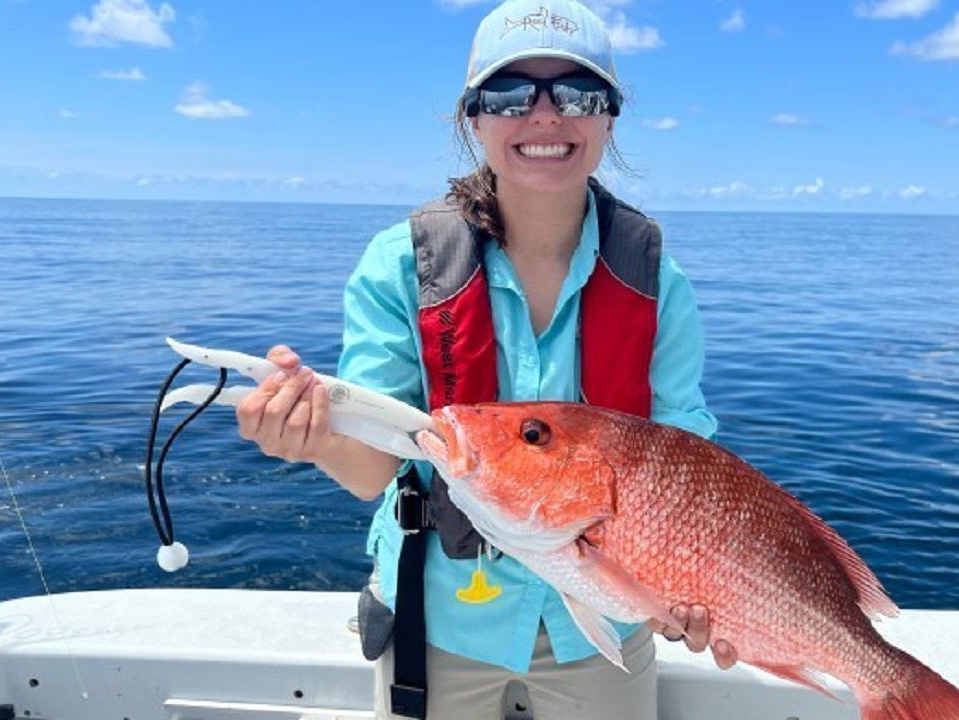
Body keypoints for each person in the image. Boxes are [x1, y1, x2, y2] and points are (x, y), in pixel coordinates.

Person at [234, 1, 736, 717]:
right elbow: (372, 467)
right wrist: (312, 438)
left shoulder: (659, 284)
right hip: (438, 622)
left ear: (609, 117)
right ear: (473, 116)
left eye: (577, 92)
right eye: (508, 94)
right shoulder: (399, 265)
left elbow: (687, 476)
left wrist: (689, 591)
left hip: (608, 627)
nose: (544, 115)